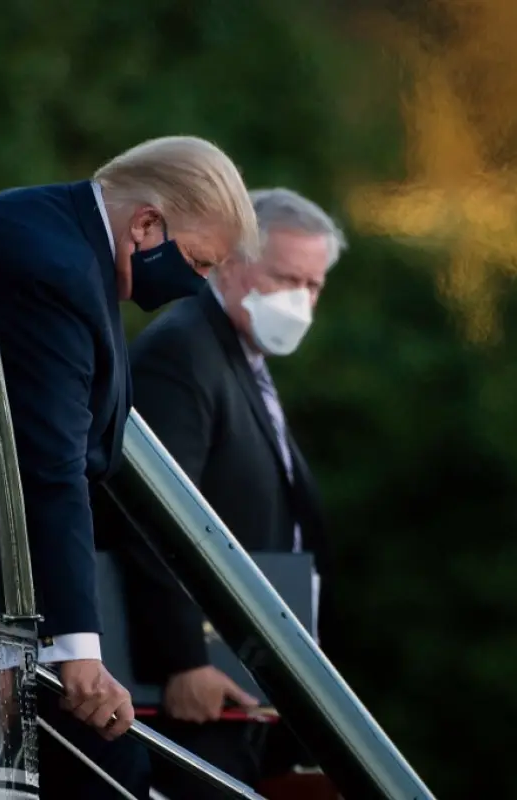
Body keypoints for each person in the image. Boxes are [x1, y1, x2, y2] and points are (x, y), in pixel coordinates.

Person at [0, 135, 259, 799]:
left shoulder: (67, 247)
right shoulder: (58, 271)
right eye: (197, 261)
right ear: (147, 224)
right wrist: (77, 652)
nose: (199, 284)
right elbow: (50, 468)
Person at [119, 187, 345, 797]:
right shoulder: (184, 351)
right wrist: (182, 660)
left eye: (313, 286)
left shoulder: (240, 359)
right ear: (235, 260)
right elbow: (154, 514)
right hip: (198, 690)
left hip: (250, 682)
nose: (299, 300)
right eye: (284, 278)